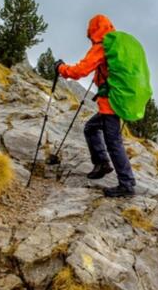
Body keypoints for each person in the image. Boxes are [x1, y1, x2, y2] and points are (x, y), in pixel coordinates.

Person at [56, 14, 135, 198]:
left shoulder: (102, 47)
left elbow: (80, 71)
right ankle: (102, 163)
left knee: (113, 141)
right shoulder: (116, 46)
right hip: (116, 100)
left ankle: (127, 184)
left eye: (90, 32)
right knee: (91, 128)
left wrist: (61, 68)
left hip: (110, 103)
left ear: (94, 31)